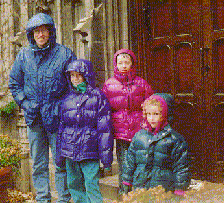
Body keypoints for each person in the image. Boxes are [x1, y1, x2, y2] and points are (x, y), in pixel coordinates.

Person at [9, 13, 76, 203]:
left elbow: (75, 84)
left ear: (50, 32)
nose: (40, 34)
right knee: (38, 163)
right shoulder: (23, 56)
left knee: (61, 162)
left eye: (44, 30)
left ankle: (64, 198)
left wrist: (63, 108)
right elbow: (15, 82)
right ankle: (43, 198)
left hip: (57, 118)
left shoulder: (64, 54)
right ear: (32, 34)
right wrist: (25, 102)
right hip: (34, 117)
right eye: (36, 31)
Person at [56, 59, 113, 203]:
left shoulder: (98, 97)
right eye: (72, 76)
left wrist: (106, 159)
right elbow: (61, 129)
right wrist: (59, 155)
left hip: (89, 149)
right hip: (70, 150)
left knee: (91, 184)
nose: (75, 79)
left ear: (86, 76)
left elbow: (104, 129)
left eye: (78, 75)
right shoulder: (67, 99)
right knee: (74, 184)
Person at [102, 49, 153, 194]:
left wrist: (147, 122)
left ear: (132, 64)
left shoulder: (141, 83)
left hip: (139, 130)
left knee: (140, 162)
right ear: (115, 65)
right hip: (120, 132)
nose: (123, 65)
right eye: (120, 63)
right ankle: (124, 192)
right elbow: (105, 109)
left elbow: (151, 102)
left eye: (127, 62)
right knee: (124, 163)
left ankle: (139, 192)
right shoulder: (109, 84)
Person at [122, 93, 191, 196]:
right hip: (141, 186)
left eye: (156, 114)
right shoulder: (139, 136)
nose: (152, 118)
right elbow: (130, 160)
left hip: (163, 188)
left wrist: (180, 187)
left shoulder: (174, 139)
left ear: (164, 114)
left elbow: (181, 166)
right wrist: (127, 180)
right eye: (149, 114)